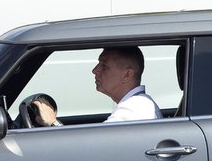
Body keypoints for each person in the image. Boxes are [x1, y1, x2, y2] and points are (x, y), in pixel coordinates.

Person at [31, 45, 162, 126]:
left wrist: (53, 123)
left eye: (104, 65)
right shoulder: (138, 105)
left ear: (127, 75)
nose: (95, 70)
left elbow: (92, 150)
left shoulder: (133, 110)